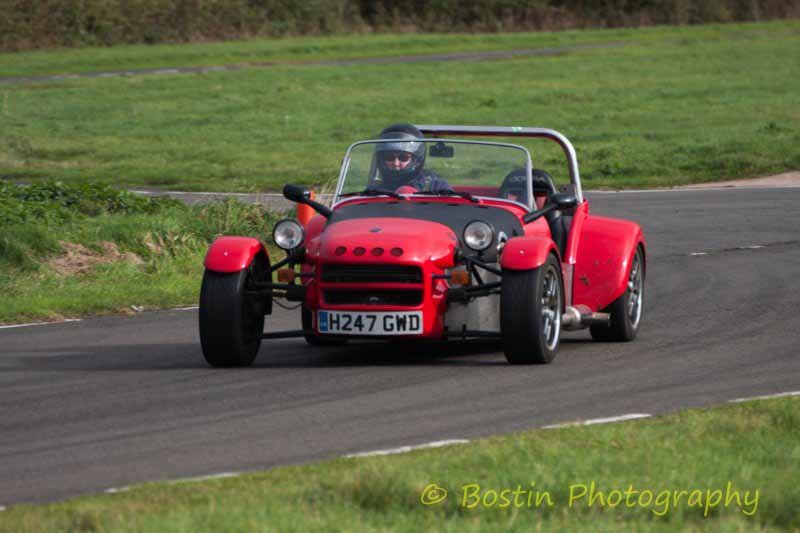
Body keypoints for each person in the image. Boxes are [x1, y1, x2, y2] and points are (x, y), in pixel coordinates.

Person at [369, 123, 450, 192]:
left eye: (403, 158)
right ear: (381, 159)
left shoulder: (437, 187)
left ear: (417, 161)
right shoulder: (374, 190)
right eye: (389, 157)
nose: (396, 163)